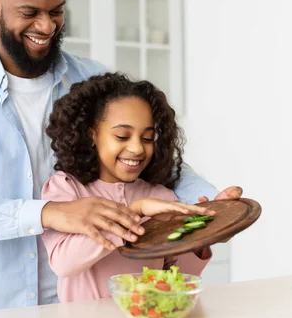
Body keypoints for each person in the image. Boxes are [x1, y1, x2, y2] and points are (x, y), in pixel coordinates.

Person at [0, 0, 242, 313]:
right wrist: (50, 212)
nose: (47, 26)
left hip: (91, 308)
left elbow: (152, 162)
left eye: (56, 11)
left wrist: (210, 205)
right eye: (30, 13)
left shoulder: (91, 81)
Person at [41, 72, 218, 302]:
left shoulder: (160, 195)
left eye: (147, 138)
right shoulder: (66, 189)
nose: (137, 148)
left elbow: (176, 276)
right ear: (91, 134)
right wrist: (134, 212)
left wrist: (200, 238)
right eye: (122, 136)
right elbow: (65, 264)